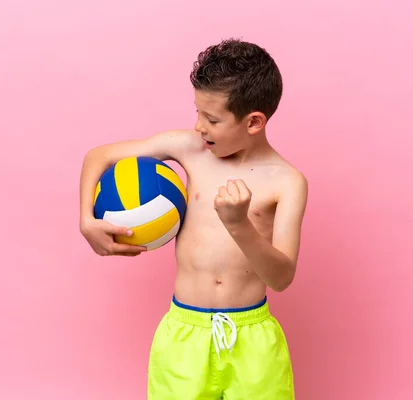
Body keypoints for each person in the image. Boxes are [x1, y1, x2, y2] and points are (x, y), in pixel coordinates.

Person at [79, 38, 308, 399]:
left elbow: (281, 278)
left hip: (253, 340)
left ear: (254, 122)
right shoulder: (188, 149)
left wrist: (239, 224)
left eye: (212, 119)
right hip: (184, 334)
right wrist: (86, 221)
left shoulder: (288, 182)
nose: (200, 126)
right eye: (198, 112)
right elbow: (99, 156)